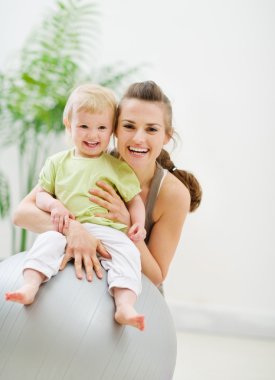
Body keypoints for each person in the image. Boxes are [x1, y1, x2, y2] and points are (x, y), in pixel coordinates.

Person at [12, 80, 202, 297]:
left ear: (166, 136)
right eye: (129, 126)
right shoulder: (91, 161)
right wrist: (75, 230)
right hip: (79, 291)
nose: (139, 138)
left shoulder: (173, 193)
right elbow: (22, 214)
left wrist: (126, 225)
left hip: (135, 296)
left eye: (151, 129)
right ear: (115, 129)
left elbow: (156, 275)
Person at [5, 83, 146, 331]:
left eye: (101, 128)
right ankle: (30, 285)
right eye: (83, 126)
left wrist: (138, 225)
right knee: (46, 242)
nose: (93, 135)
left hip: (107, 232)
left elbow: (134, 200)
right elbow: (41, 196)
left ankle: (124, 305)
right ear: (68, 123)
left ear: (111, 130)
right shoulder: (57, 162)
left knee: (129, 253)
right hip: (64, 227)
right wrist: (55, 205)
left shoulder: (118, 167)